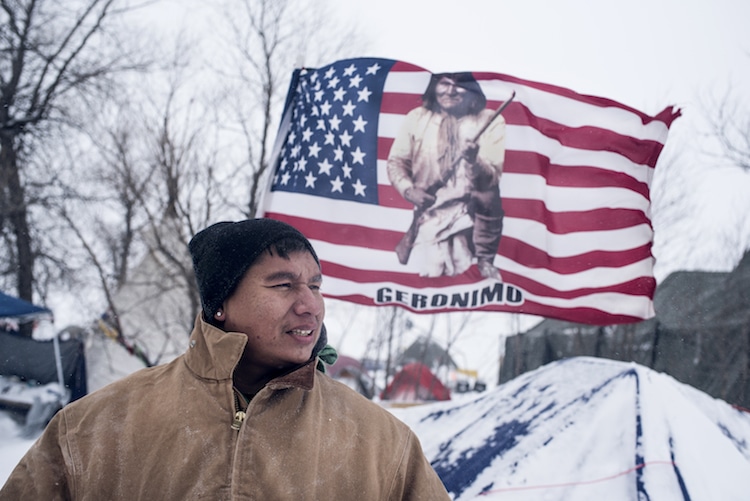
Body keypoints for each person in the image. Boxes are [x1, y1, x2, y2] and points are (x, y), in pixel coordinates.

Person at [0, 218, 451, 500]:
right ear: (221, 303)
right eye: (283, 285)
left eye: (314, 286)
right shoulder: (92, 429)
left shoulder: (380, 444)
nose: (310, 304)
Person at [387, 72, 506, 280]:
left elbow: (491, 178)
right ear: (434, 86)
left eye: (459, 85)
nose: (450, 91)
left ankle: (485, 261)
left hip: (471, 216)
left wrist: (473, 160)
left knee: (466, 275)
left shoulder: (490, 119)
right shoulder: (417, 118)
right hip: (428, 214)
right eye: (444, 83)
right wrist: (409, 190)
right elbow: (396, 162)